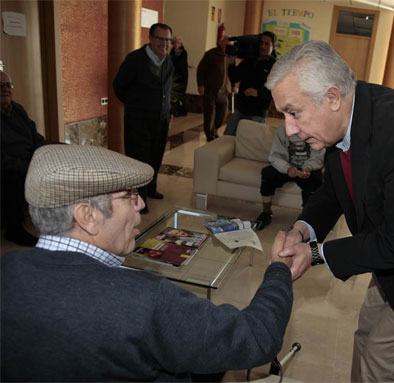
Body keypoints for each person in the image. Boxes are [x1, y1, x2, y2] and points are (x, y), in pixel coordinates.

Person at [1, 144, 293, 382]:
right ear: (87, 216)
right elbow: (257, 337)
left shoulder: (6, 271)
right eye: (129, 195)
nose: (140, 204)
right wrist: (278, 270)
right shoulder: (145, 299)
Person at [267, 40, 394, 382]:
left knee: (380, 361)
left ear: (332, 97)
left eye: (294, 112)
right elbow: (333, 192)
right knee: (365, 338)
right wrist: (300, 231)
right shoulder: (341, 121)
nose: (289, 128)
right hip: (387, 266)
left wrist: (315, 253)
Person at [113, 23, 174, 212]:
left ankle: (151, 188)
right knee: (139, 159)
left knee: (156, 156)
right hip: (139, 119)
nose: (164, 43)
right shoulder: (135, 60)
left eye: (167, 40)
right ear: (150, 38)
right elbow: (119, 86)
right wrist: (135, 105)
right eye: (160, 39)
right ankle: (140, 198)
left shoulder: (168, 61)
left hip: (161, 118)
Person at [0, 70, 45, 246]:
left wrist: (41, 155)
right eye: (0, 86)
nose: (5, 90)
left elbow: (36, 136)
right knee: (12, 178)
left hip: (28, 159)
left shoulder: (17, 109)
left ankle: (52, 220)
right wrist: (23, 166)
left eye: (7, 85)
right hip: (7, 165)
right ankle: (14, 229)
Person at [256, 123, 325, 230]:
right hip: (286, 167)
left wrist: (308, 168)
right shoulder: (283, 130)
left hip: (306, 169)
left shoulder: (316, 129)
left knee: (316, 179)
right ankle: (266, 213)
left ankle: (305, 219)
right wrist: (287, 168)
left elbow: (318, 156)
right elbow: (275, 155)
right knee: (267, 173)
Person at [224, 31, 277, 136]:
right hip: (241, 108)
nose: (262, 46)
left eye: (267, 44)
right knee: (228, 137)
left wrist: (258, 92)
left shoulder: (275, 66)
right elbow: (235, 77)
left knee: (249, 144)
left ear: (273, 46)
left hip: (258, 113)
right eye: (261, 43)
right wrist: (231, 62)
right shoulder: (249, 61)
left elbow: (276, 91)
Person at [197, 35, 230, 142]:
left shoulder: (228, 56)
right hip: (210, 89)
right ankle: (210, 135)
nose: (228, 45)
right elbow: (200, 70)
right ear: (221, 42)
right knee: (210, 114)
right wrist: (200, 85)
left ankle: (214, 130)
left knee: (223, 113)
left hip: (223, 91)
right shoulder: (211, 54)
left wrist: (233, 85)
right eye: (227, 42)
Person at [170, 36, 188, 117]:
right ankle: (174, 110)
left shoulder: (183, 52)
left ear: (180, 44)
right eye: (174, 43)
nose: (176, 44)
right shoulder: (172, 51)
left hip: (181, 76)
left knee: (180, 93)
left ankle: (182, 111)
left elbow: (181, 64)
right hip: (174, 76)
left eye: (177, 43)